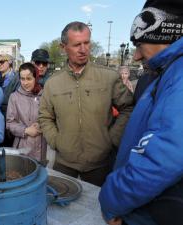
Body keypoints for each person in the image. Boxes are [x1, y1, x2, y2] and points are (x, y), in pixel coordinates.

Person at [99, 1, 183, 225]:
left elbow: (163, 157)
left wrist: (112, 198)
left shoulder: (178, 75)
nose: (135, 56)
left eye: (139, 44)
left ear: (161, 35)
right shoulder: (167, 72)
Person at [38, 21, 134, 187]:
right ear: (63, 47)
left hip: (101, 164)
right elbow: (45, 116)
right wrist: (57, 141)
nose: (83, 50)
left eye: (87, 42)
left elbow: (129, 108)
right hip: (64, 164)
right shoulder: (53, 83)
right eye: (76, 45)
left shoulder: (108, 77)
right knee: (61, 208)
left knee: (99, 210)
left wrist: (111, 139)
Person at [6, 62, 47, 161]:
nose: (25, 83)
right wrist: (25, 130)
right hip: (22, 146)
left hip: (41, 146)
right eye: (22, 79)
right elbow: (9, 123)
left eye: (29, 78)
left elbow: (51, 117)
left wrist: (41, 124)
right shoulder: (14, 97)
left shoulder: (44, 95)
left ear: (36, 78)